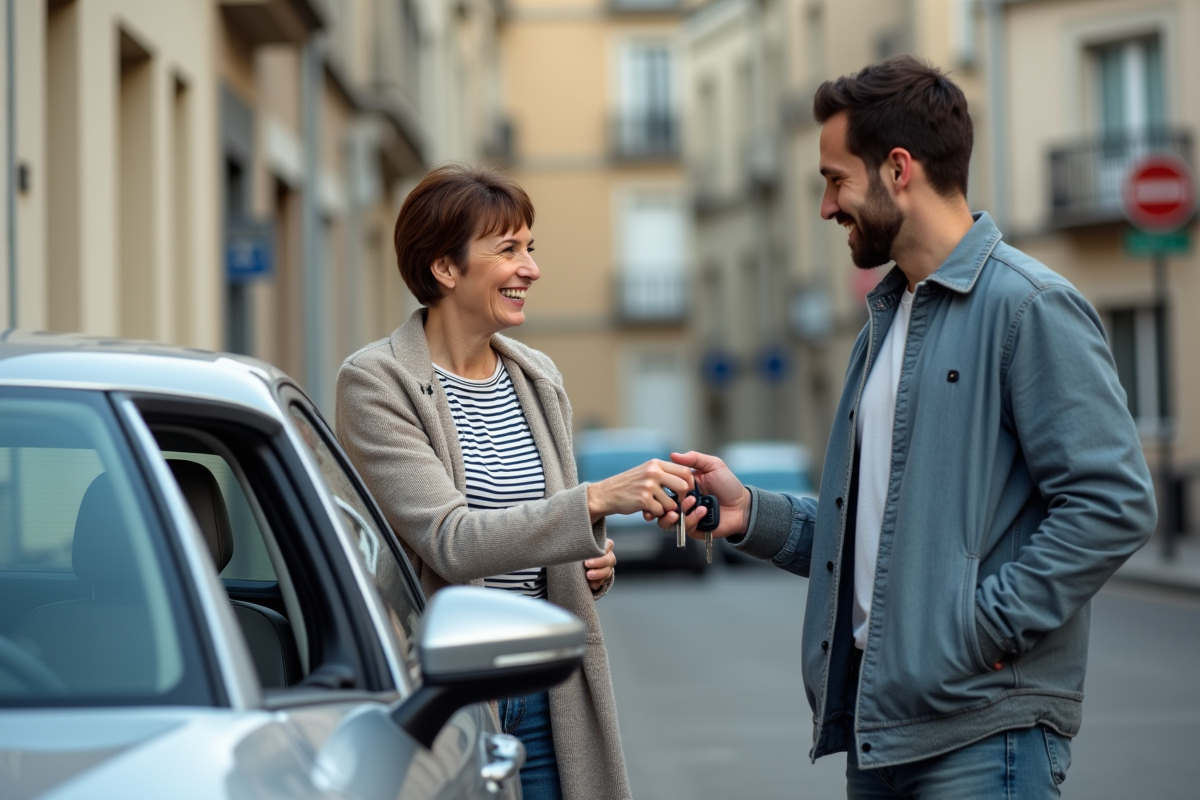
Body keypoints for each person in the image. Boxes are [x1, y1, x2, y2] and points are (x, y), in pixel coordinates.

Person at [667, 56, 1156, 798]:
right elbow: (878, 535)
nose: (827, 207)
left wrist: (977, 631)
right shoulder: (885, 324)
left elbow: (1113, 503)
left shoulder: (1028, 307)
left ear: (899, 169)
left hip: (983, 733)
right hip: (883, 733)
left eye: (835, 180)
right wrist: (750, 513)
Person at [336, 163, 692, 800]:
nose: (531, 268)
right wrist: (595, 500)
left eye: (531, 248)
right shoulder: (376, 383)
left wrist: (590, 558)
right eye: (508, 250)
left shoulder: (538, 377)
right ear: (445, 269)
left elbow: (542, 532)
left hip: (551, 691)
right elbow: (451, 539)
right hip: (447, 699)